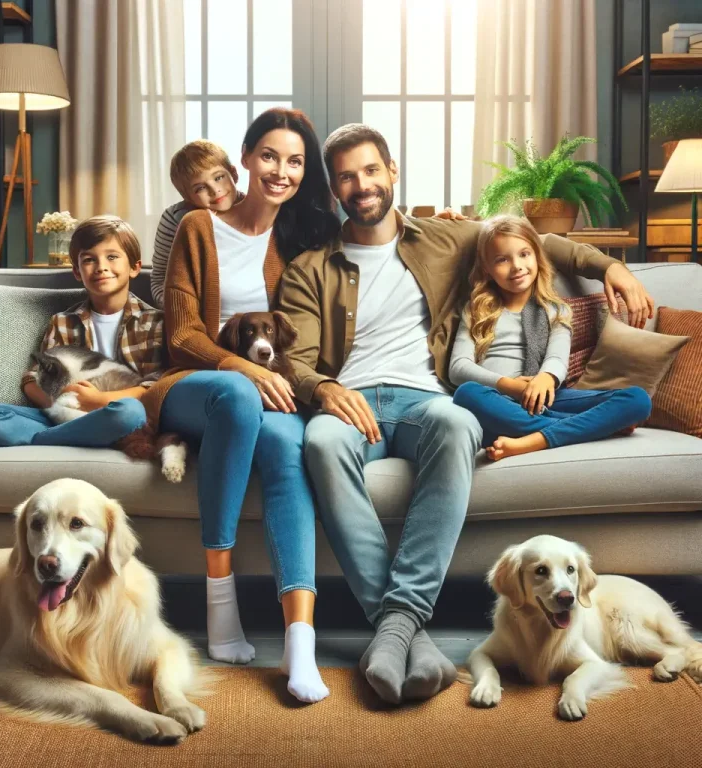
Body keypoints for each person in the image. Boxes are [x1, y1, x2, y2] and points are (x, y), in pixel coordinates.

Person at [277, 123, 655, 706]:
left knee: (460, 423)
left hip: (426, 398)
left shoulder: (443, 239)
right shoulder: (308, 268)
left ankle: (392, 627)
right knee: (320, 444)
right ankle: (408, 631)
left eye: (371, 170)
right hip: (349, 398)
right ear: (334, 189)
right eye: (347, 176)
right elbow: (296, 359)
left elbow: (535, 243)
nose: (362, 185)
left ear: (392, 172)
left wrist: (611, 269)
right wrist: (325, 388)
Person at [141, 108, 341, 703]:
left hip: (266, 398)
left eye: (297, 161)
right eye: (271, 156)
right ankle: (219, 602)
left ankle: (299, 645)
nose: (282, 170)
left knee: (286, 443)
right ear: (246, 158)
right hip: (196, 386)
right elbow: (181, 334)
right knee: (234, 390)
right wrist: (246, 367)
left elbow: (378, 234)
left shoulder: (301, 238)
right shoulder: (197, 226)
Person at [450, 215, 651, 460]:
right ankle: (585, 428)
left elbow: (557, 356)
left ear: (537, 256)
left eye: (524, 254)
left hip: (547, 397)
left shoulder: (556, 310)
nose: (516, 266)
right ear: (487, 270)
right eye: (502, 260)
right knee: (466, 393)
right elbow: (458, 368)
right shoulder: (476, 309)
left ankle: (532, 441)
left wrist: (546, 377)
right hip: (497, 402)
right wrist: (510, 386)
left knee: (637, 400)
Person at [0, 216, 161, 448]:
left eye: (112, 257)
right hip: (66, 412)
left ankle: (52, 439)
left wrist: (99, 400)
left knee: (129, 413)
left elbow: (156, 386)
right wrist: (59, 399)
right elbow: (31, 378)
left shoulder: (155, 322)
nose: (101, 266)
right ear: (77, 272)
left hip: (118, 412)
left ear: (134, 267)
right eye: (89, 259)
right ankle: (88, 436)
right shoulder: (62, 322)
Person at [151, 140, 244, 308]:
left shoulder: (258, 210)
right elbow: (160, 280)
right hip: (194, 311)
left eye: (219, 178)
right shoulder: (175, 219)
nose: (214, 190)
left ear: (234, 174)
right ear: (188, 198)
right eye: (200, 188)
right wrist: (183, 309)